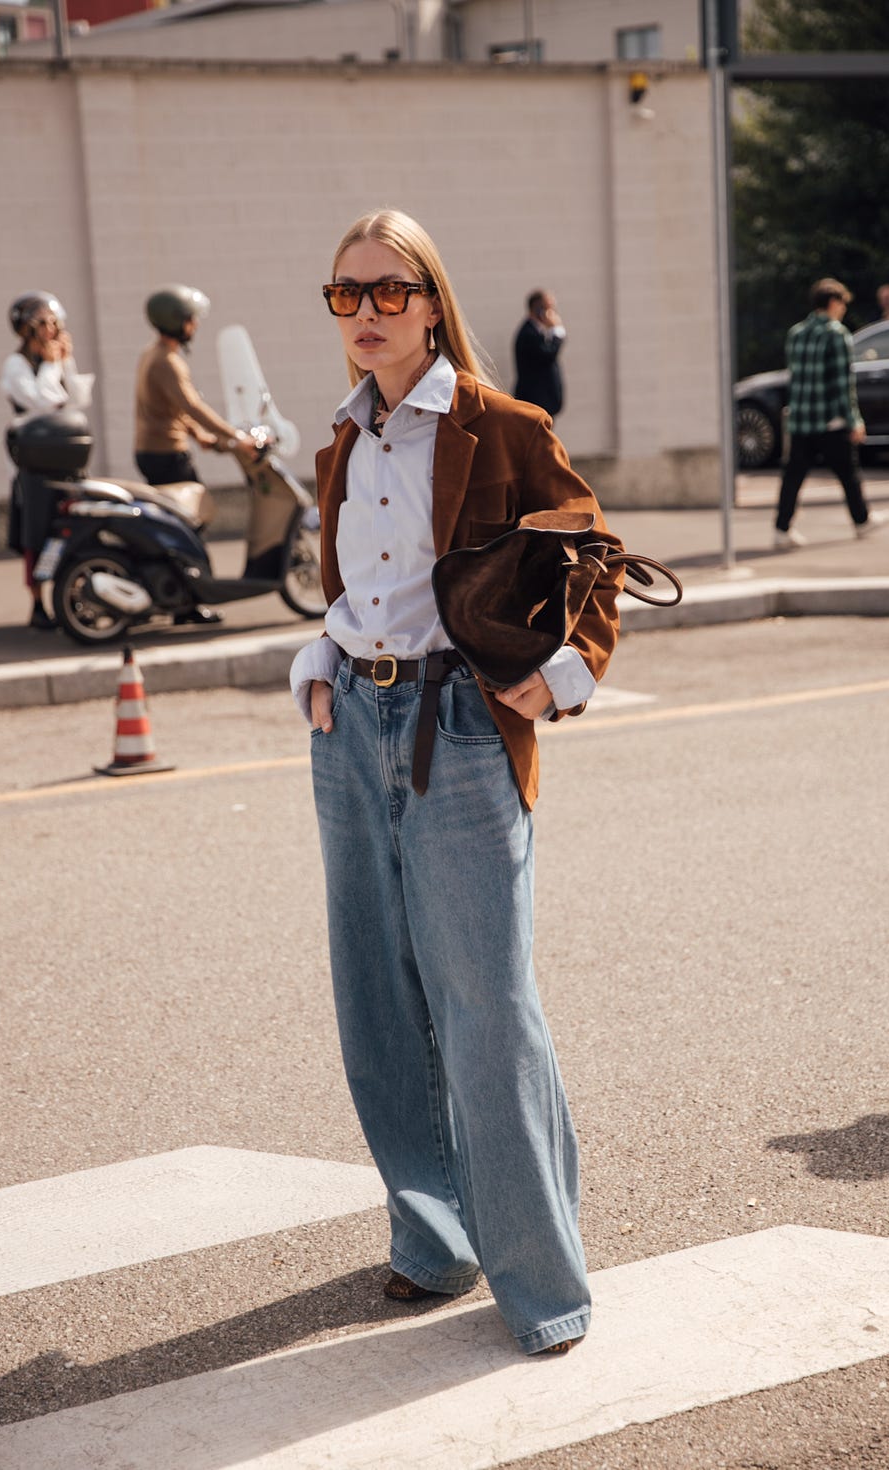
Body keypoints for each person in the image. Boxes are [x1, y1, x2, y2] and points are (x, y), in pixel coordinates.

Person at [290, 209, 624, 1357]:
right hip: (351, 724)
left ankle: (541, 1281)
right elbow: (346, 585)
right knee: (377, 1001)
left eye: (389, 292)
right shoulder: (342, 437)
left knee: (486, 1009)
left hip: (460, 726)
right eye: (347, 295)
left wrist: (572, 671)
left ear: (431, 301)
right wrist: (316, 657)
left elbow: (592, 552)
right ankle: (432, 1239)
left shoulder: (499, 426)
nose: (368, 314)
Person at [134, 284, 253, 624]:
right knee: (189, 526)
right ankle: (189, 603)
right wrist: (236, 436)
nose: (195, 326)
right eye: (191, 320)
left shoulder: (152, 354)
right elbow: (191, 405)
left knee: (177, 525)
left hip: (153, 451)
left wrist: (197, 434)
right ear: (177, 322)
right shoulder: (168, 362)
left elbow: (167, 408)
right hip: (167, 455)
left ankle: (176, 598)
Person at [774, 278, 889, 550]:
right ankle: (862, 521)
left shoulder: (796, 333)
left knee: (793, 476)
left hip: (802, 418)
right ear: (833, 303)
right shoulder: (836, 334)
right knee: (848, 473)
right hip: (830, 420)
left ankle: (781, 529)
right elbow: (842, 384)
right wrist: (854, 420)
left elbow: (795, 377)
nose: (843, 310)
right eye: (842, 304)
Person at [1, 291, 94, 630]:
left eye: (55, 322)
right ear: (25, 328)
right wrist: (53, 365)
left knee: (75, 527)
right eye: (42, 323)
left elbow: (77, 399)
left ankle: (74, 592)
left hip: (64, 458)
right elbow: (41, 401)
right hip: (33, 464)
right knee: (36, 535)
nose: (51, 330)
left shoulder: (55, 360)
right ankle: (38, 602)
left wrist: (65, 362)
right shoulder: (17, 366)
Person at [513, 289, 566, 417]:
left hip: (544, 402)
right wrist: (557, 331)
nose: (553, 314)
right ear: (539, 310)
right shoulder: (528, 334)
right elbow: (548, 355)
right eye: (550, 309)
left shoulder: (537, 331)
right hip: (536, 402)